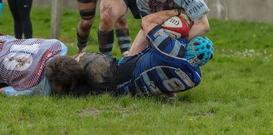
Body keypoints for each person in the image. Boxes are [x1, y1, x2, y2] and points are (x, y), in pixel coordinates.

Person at [47, 9, 214, 97]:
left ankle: (47, 77)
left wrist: (175, 13)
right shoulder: (195, 78)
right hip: (121, 92)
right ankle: (57, 87)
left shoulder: (170, 49)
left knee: (73, 62)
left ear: (188, 48)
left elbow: (147, 22)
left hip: (113, 72)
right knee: (77, 91)